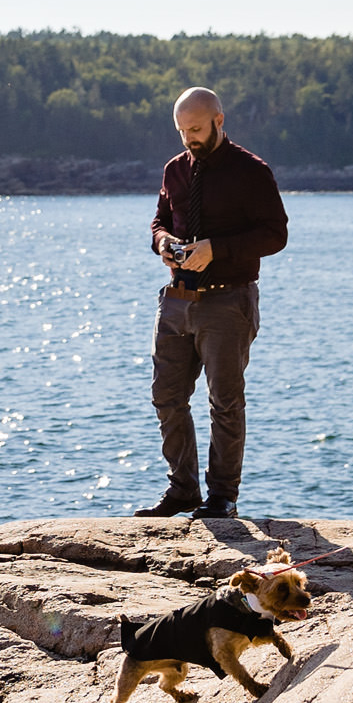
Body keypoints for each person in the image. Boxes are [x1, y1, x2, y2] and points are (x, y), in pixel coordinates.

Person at [135, 87, 289, 520]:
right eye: (182, 131)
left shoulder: (251, 171)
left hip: (229, 302)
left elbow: (276, 235)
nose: (189, 138)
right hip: (176, 301)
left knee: (224, 401)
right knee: (166, 396)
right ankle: (182, 490)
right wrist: (163, 242)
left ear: (220, 120)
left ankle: (222, 497)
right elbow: (160, 220)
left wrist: (215, 249)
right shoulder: (174, 171)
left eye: (197, 129)